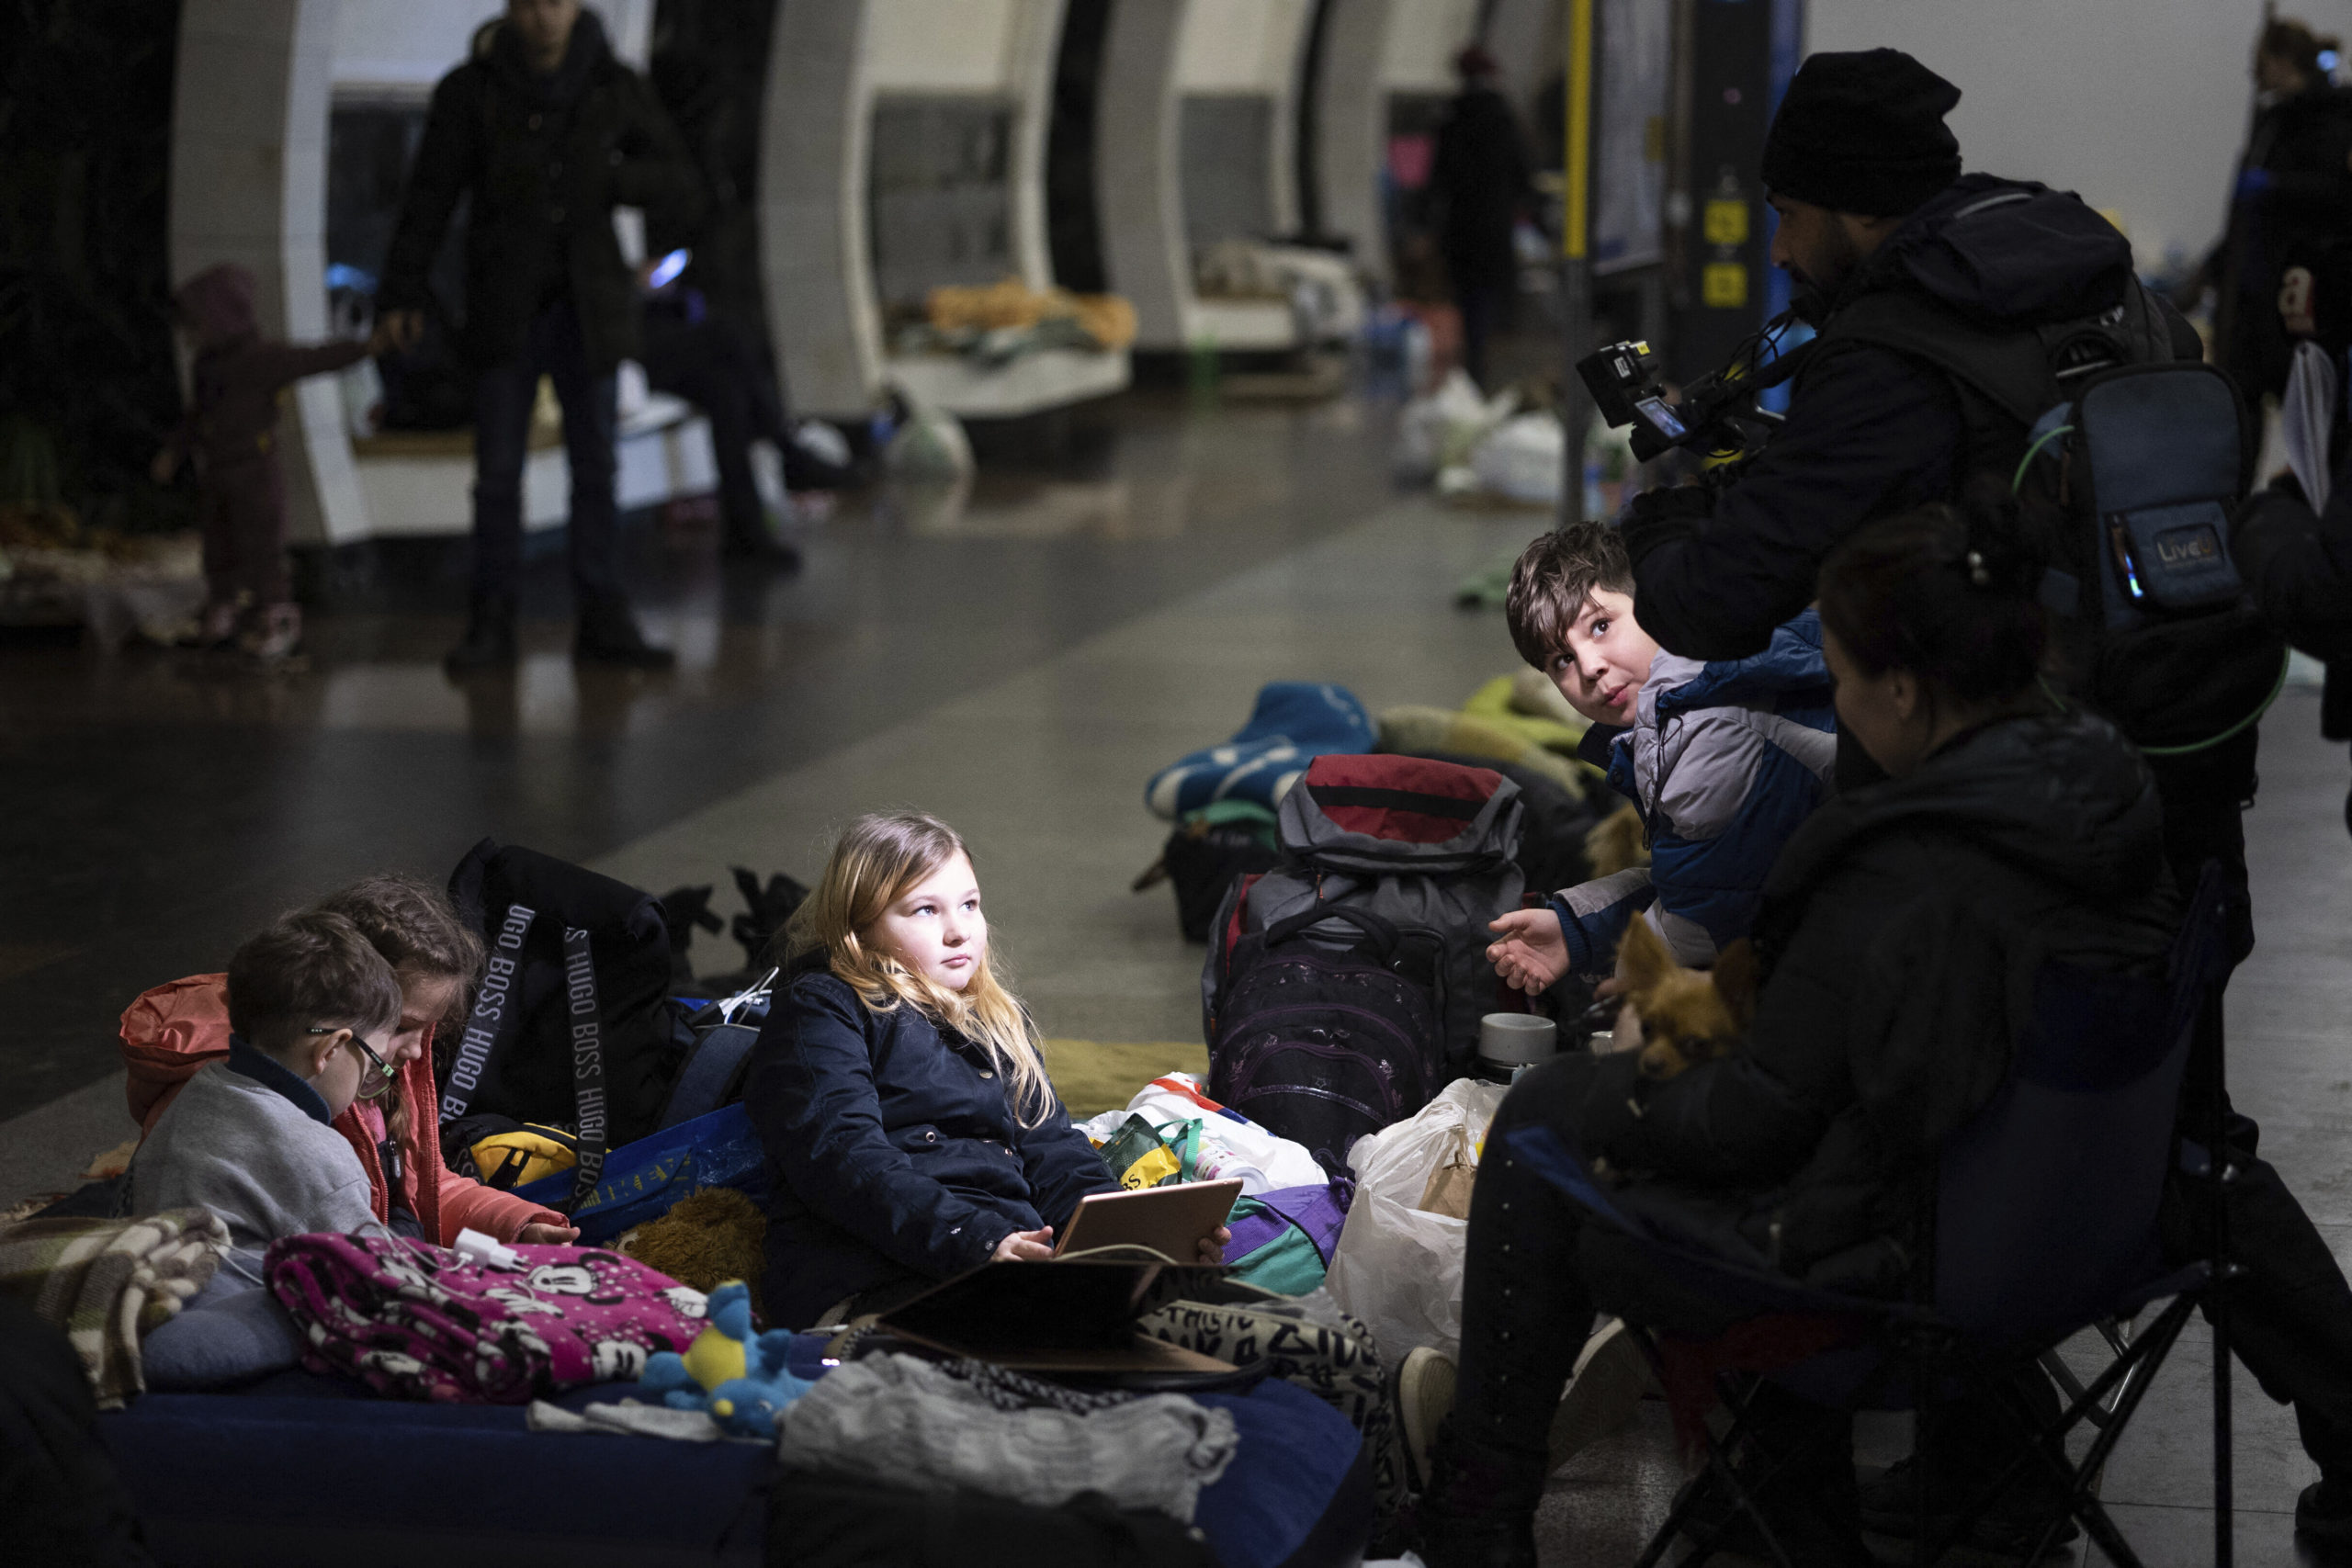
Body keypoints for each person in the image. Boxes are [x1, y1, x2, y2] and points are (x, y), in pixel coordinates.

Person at [1617, 48, 2352, 1551]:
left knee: (1928, 1108)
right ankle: (1992, 1455)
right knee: (2159, 1130)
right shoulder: (2076, 262)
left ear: (1830, 207)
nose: (1775, 239)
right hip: (2180, 748)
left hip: (2013, 815)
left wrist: (1679, 505)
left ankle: (1825, 1480)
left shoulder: (1891, 349)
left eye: (1783, 207)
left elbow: (1709, 597)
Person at [1416, 493, 2176, 1567]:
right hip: (2084, 1226)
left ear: (1903, 689)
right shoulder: (2106, 791)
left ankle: (1476, 1519)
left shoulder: (1891, 861)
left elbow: (1759, 1124)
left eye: (1841, 674)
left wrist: (1636, 1086)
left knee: (1543, 1130)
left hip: (1911, 1270)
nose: (1827, 699)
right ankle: (1780, 1503)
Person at [744, 811, 1224, 1329]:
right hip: (872, 1272)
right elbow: (841, 1156)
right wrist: (974, 1241)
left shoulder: (996, 1019)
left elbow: (1056, 1151)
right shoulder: (824, 1005)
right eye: (925, 910)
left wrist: (1132, 1238)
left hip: (1002, 1258)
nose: (958, 931)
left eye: (969, 905)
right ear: (859, 928)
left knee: (1206, 1322)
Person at [378, 0, 703, 675]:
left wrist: (610, 178)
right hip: (506, 305)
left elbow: (676, 177)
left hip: (589, 304)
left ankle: (602, 614)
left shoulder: (613, 85)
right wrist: (402, 289)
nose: (544, 19)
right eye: (530, 4)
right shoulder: (473, 90)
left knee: (596, 468)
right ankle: (492, 618)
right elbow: (430, 194)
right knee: (498, 473)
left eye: (555, 3)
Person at [119, 874, 577, 1250]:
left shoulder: (369, 1070)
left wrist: (514, 1223)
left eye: (427, 1031)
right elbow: (377, 1278)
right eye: (399, 1026)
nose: (417, 1051)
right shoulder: (284, 1122)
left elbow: (424, 1188)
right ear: (342, 1020)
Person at [1484, 523, 1835, 985]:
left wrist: (1618, 993)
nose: (1590, 667)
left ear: (1653, 603)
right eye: (1562, 661)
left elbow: (1707, 925)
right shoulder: (1704, 677)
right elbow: (1707, 883)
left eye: (1601, 626)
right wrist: (1574, 931)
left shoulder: (1709, 728)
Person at [129, 912, 403, 1275]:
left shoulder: (196, 1091)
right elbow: (383, 1281)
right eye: (372, 1065)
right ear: (331, 1049)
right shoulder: (320, 1158)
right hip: (228, 1319)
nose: (366, 1081)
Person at [153, 264, 393, 662]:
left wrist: (368, 347)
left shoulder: (262, 359)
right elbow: (198, 415)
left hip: (254, 472)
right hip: (217, 470)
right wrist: (175, 450)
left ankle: (277, 619)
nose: (191, 336)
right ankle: (224, 610)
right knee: (219, 544)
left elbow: (316, 359)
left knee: (262, 548)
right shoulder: (208, 367)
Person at [2177, 18, 2352, 403]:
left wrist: (2276, 186)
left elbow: (2336, 196)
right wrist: (2214, 268)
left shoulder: (2333, 119)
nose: (2255, 73)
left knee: (2302, 405)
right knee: (2239, 401)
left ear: (2282, 60)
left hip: (2298, 294)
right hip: (2250, 293)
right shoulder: (2273, 120)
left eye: (2262, 61)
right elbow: (2246, 219)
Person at [1430, 45, 1532, 390]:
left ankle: (1473, 360)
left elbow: (1438, 177)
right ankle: (1485, 360)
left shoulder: (1450, 116)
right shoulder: (1503, 115)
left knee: (1467, 294)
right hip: (1495, 224)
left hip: (1460, 226)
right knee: (1490, 294)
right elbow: (1523, 172)